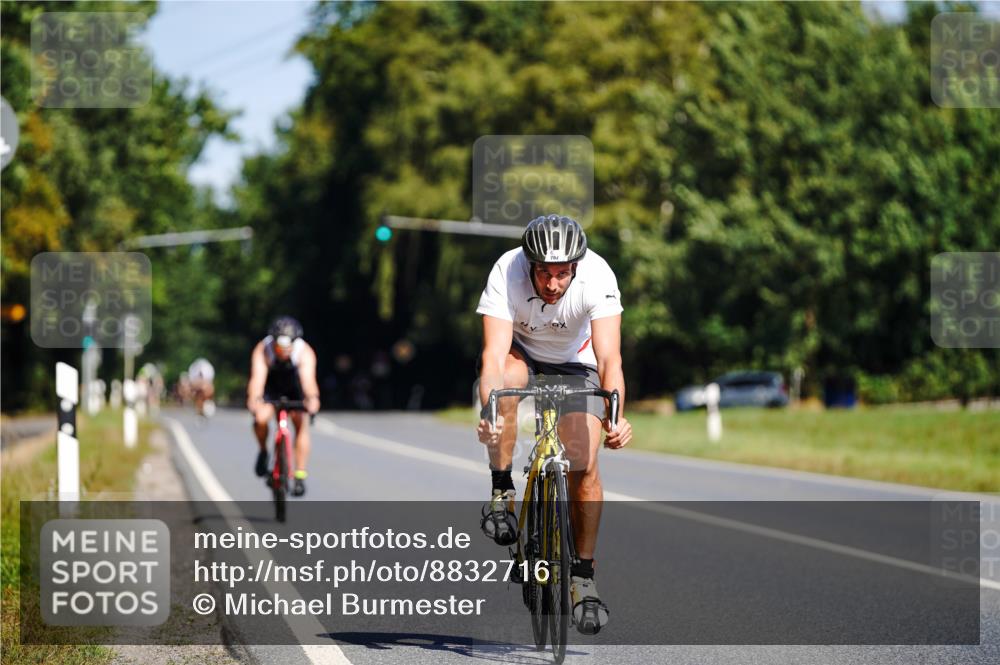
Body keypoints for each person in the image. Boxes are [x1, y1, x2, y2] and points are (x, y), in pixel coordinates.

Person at [476, 214, 633, 635]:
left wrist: (615, 417)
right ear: (530, 264)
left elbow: (610, 359)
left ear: (576, 267)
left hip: (577, 364)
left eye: (562, 273)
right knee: (506, 385)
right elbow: (492, 356)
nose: (552, 283)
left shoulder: (598, 275)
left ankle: (583, 577)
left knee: (584, 463)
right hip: (521, 354)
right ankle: (502, 490)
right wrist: (489, 411)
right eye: (544, 272)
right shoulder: (507, 270)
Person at [246, 316, 320, 497]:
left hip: (294, 387)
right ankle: (263, 451)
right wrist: (254, 399)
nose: (284, 351)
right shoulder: (263, 349)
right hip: (271, 387)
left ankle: (300, 475)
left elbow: (308, 380)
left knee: (300, 422)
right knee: (260, 419)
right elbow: (257, 379)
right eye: (280, 347)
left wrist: (312, 399)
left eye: (288, 347)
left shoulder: (304, 351)